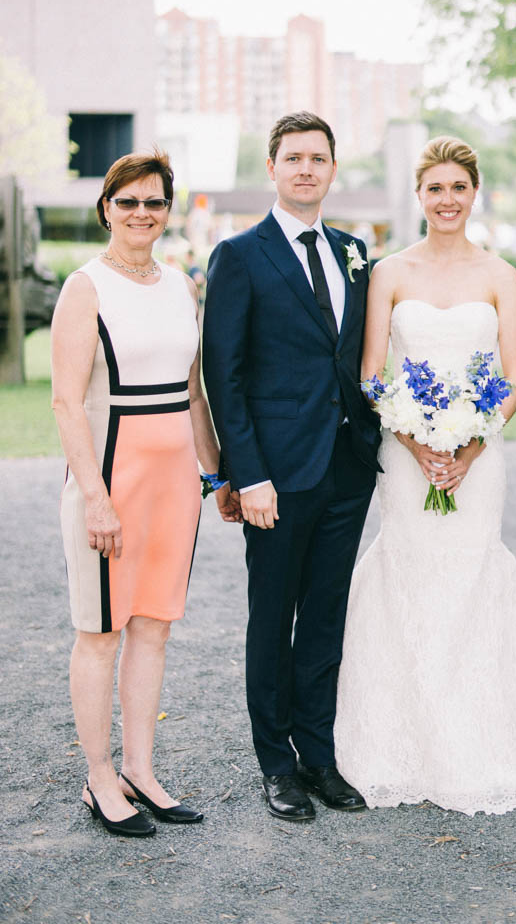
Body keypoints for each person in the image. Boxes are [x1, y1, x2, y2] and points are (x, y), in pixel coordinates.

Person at [334, 136, 516, 815]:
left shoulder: (500, 275)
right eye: (435, 189)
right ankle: (405, 742)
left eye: (458, 188)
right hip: (405, 454)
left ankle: (480, 738)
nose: (447, 200)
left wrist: (470, 445)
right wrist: (417, 441)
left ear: (472, 194)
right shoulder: (389, 273)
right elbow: (370, 373)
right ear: (418, 195)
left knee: (470, 571)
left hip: (477, 461)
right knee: (411, 574)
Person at [52, 149, 240, 838]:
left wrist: (216, 473)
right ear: (107, 207)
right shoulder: (85, 287)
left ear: (167, 210)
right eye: (127, 201)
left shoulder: (176, 285)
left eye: (153, 201)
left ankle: (140, 768)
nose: (141, 213)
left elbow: (192, 391)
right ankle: (99, 776)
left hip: (172, 483)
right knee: (100, 632)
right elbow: (66, 403)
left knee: (153, 626)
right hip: (111, 474)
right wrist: (95, 497)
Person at [202, 111, 381, 823]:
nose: (306, 168)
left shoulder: (354, 250)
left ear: (333, 170)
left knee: (326, 622)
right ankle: (276, 765)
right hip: (275, 476)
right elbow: (226, 373)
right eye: (293, 158)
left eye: (318, 158)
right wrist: (248, 476)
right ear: (272, 169)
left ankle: (319, 758)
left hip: (345, 468)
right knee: (272, 620)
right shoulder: (240, 255)